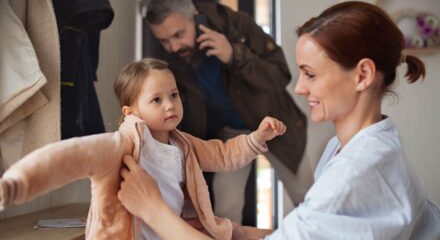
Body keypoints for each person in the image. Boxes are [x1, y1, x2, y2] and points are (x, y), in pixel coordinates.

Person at [117, 1, 440, 239]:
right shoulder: (354, 148)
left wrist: (153, 210)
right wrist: (236, 232)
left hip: (267, 129)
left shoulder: (355, 174)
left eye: (310, 74)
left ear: (363, 75)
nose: (299, 88)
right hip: (231, 133)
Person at [0, 58, 287, 240]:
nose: (170, 105)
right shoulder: (123, 144)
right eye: (157, 100)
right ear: (130, 111)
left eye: (174, 95)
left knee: (230, 230)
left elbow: (224, 155)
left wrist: (256, 138)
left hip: (172, 231)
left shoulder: (184, 143)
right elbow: (72, 155)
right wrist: (17, 183)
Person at [145, 0, 307, 223]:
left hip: (276, 124)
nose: (173, 46)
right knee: (225, 210)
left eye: (179, 34)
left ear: (194, 15)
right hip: (229, 136)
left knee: (307, 198)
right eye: (164, 40)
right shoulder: (169, 59)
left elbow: (281, 75)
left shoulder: (235, 23)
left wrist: (235, 55)